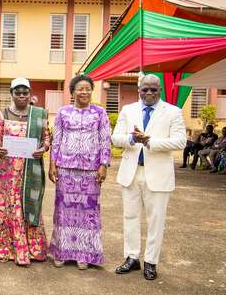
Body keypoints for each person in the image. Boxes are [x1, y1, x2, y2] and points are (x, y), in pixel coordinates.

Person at [112, 74, 186, 280]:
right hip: (131, 173)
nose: (149, 93)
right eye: (145, 89)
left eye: (153, 89)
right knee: (130, 217)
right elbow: (116, 138)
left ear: (160, 89)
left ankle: (151, 262)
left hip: (158, 175)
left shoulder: (173, 112)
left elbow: (180, 142)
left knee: (156, 221)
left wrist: (150, 141)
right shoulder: (128, 110)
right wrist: (131, 138)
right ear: (139, 90)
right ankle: (132, 258)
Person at [0, 78, 50, 267]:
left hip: (31, 168)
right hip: (8, 170)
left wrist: (43, 149)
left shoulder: (39, 114)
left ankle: (31, 248)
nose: (22, 96)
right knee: (10, 204)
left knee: (28, 203)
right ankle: (6, 246)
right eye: (18, 92)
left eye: (25, 92)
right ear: (11, 94)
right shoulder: (3, 114)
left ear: (30, 94)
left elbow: (47, 138)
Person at [48, 75, 111, 270]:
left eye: (88, 88)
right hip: (65, 168)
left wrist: (104, 164)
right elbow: (56, 139)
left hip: (90, 171)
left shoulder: (100, 113)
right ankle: (62, 252)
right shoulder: (63, 112)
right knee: (63, 212)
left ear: (92, 91)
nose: (84, 92)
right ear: (73, 92)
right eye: (80, 89)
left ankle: (84, 253)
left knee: (88, 213)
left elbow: (105, 140)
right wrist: (52, 163)